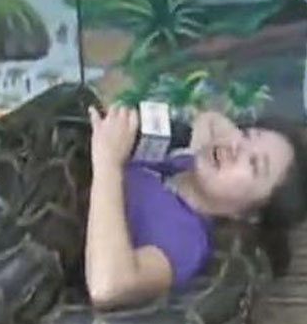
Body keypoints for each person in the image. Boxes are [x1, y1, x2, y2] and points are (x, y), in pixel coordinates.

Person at [85, 105, 307, 310]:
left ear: (249, 215)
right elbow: (210, 119)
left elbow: (107, 287)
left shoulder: (186, 240)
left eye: (254, 164)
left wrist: (108, 162)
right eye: (247, 135)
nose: (236, 147)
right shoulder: (185, 162)